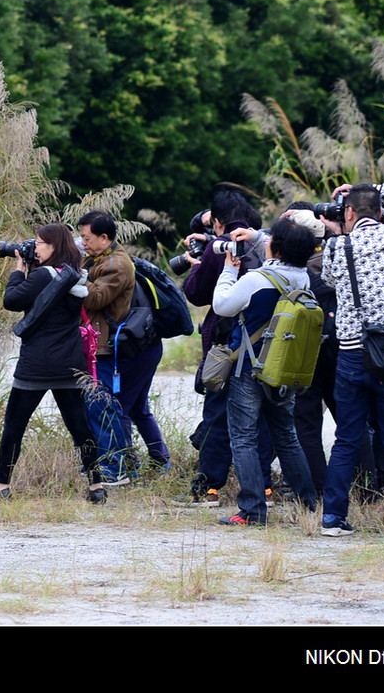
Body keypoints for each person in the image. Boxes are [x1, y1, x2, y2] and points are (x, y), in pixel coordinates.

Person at [317, 182, 384, 536]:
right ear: (380, 211)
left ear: (348, 214)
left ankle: (333, 517)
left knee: (347, 438)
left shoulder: (337, 246)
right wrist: (372, 188)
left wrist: (336, 234)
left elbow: (329, 279)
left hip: (351, 355)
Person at [0, 223, 106, 504]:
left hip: (37, 363)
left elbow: (11, 301)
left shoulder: (42, 277)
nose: (34, 248)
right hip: (69, 362)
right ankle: (96, 486)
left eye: (39, 243)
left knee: (14, 425)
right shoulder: (74, 276)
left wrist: (17, 269)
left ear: (54, 247)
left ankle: (1, 487)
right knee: (79, 427)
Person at [211, 217, 320, 526]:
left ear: (277, 247)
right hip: (283, 368)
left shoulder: (256, 280)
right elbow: (282, 251)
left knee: (244, 438)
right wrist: (260, 238)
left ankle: (252, 509)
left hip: (249, 366)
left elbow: (222, 306)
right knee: (286, 435)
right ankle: (308, 502)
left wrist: (229, 270)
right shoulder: (305, 279)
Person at [177, 191, 273, 507]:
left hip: (226, 344)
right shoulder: (265, 241)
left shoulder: (221, 248)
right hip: (266, 342)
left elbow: (196, 293)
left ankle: (209, 488)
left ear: (217, 222)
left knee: (217, 415)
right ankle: (265, 488)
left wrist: (198, 264)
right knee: (260, 416)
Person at [77, 210, 166, 484]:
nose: (83, 243)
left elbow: (95, 299)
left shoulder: (116, 264)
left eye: (87, 238)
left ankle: (115, 468)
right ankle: (135, 465)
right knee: (130, 408)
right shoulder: (97, 258)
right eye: (80, 237)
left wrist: (72, 275)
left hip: (113, 348)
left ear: (105, 238)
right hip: (116, 346)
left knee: (105, 407)